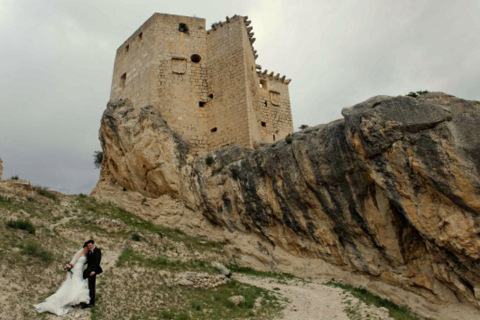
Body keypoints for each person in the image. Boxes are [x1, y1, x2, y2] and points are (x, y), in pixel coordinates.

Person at [34, 243, 90, 315]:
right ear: (84, 247)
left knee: (79, 283)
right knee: (76, 283)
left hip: (80, 271)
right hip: (76, 269)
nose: (86, 249)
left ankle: (77, 299)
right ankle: (70, 299)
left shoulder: (87, 255)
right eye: (86, 247)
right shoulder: (80, 252)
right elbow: (74, 260)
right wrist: (69, 266)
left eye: (88, 248)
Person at [82, 239, 102, 308]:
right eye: (88, 246)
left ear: (93, 244)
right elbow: (87, 261)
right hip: (88, 270)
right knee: (83, 283)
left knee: (91, 286)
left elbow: (97, 261)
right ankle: (85, 299)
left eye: (90, 245)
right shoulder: (89, 252)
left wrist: (94, 271)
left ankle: (91, 302)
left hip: (93, 271)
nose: (89, 247)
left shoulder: (97, 251)